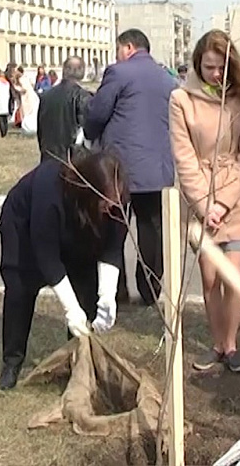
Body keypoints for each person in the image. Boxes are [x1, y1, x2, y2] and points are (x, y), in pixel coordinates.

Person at [169, 30, 240, 373]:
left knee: (232, 278)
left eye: (222, 67)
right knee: (209, 278)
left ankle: (232, 345)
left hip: (234, 199)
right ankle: (216, 342)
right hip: (199, 201)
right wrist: (204, 205)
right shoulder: (180, 100)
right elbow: (184, 157)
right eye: (209, 67)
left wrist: (222, 203)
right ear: (198, 64)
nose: (216, 74)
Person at [0, 151, 129, 390]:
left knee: (85, 286)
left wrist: (107, 295)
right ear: (89, 192)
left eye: (115, 204)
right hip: (24, 227)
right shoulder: (51, 191)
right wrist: (70, 309)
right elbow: (47, 255)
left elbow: (112, 245)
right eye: (106, 204)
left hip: (79, 230)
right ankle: (12, 362)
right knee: (20, 289)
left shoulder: (116, 200)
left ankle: (78, 362)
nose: (111, 209)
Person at [84, 28, 177, 306]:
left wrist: (89, 134)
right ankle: (150, 291)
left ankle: (117, 291)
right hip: (156, 170)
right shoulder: (167, 78)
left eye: (117, 49)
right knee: (151, 232)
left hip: (119, 170)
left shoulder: (118, 73)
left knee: (113, 230)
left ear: (127, 47)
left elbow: (97, 112)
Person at [37, 55, 91, 163]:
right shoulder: (82, 96)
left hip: (48, 157)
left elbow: (40, 130)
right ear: (82, 72)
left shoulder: (46, 96)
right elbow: (88, 131)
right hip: (71, 162)